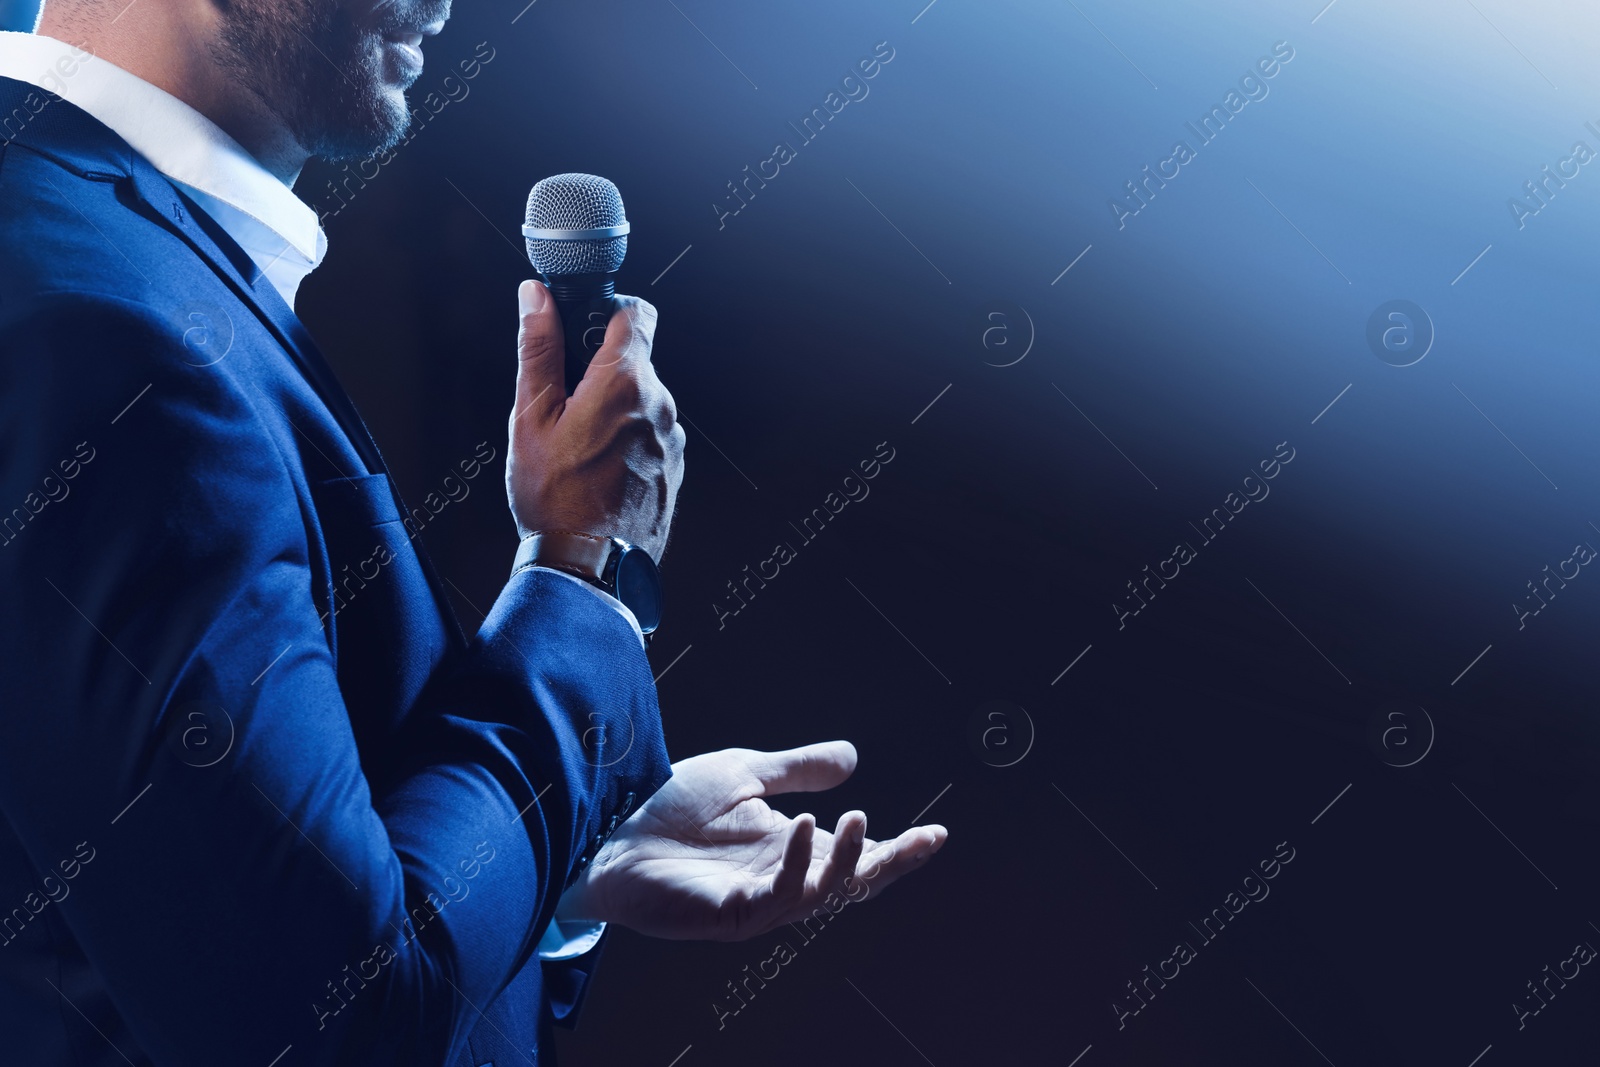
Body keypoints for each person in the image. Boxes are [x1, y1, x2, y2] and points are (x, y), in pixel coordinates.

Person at [0, 0, 947, 1062]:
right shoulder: (105, 330)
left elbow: (201, 923)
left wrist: (559, 845)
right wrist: (578, 571)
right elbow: (336, 1027)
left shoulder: (95, 248)